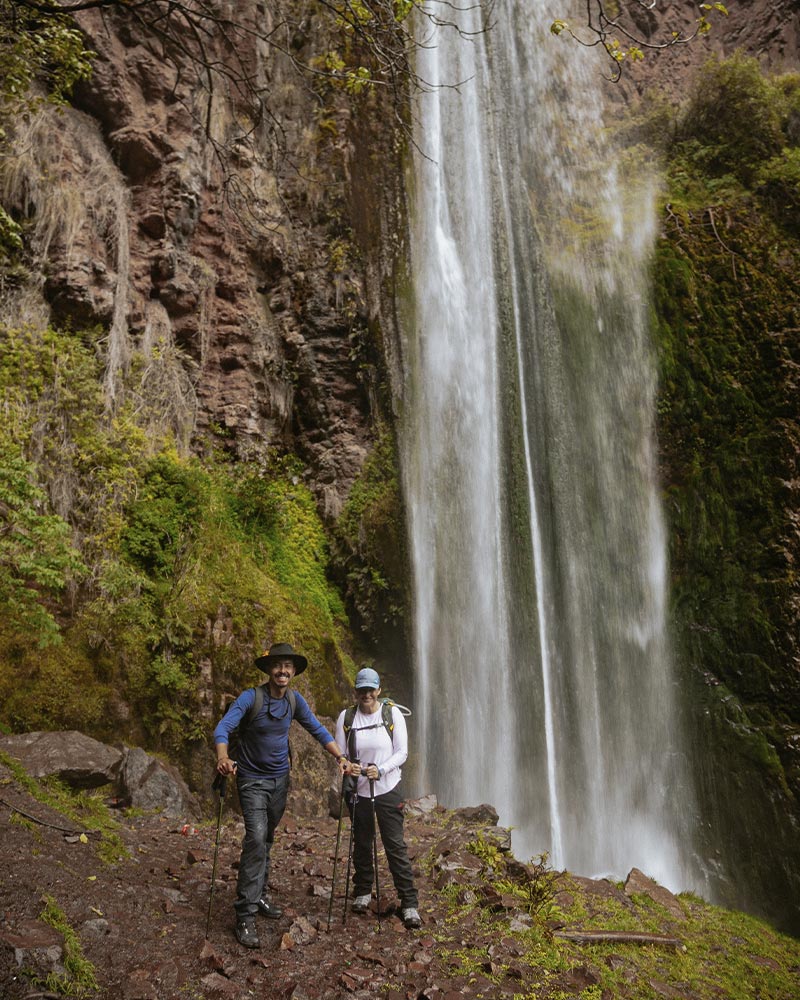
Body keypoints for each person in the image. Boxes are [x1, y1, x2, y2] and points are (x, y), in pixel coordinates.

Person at [214, 642, 347, 948]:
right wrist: (223, 757)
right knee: (257, 838)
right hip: (251, 781)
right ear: (269, 670)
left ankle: (259, 894)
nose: (282, 670)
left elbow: (317, 730)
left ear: (293, 671)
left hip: (280, 781)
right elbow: (223, 728)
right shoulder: (251, 698)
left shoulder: (294, 701)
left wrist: (340, 757)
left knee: (267, 838)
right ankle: (244, 915)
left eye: (287, 666)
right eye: (277, 665)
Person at [335, 666, 421, 929]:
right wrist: (349, 766)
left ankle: (409, 903)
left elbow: (402, 752)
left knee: (394, 845)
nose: (366, 694)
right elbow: (340, 754)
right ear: (356, 692)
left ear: (379, 690)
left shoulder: (392, 713)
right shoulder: (346, 717)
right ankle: (362, 891)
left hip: (387, 787)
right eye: (362, 690)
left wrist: (380, 769)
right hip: (359, 791)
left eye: (371, 689)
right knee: (361, 842)